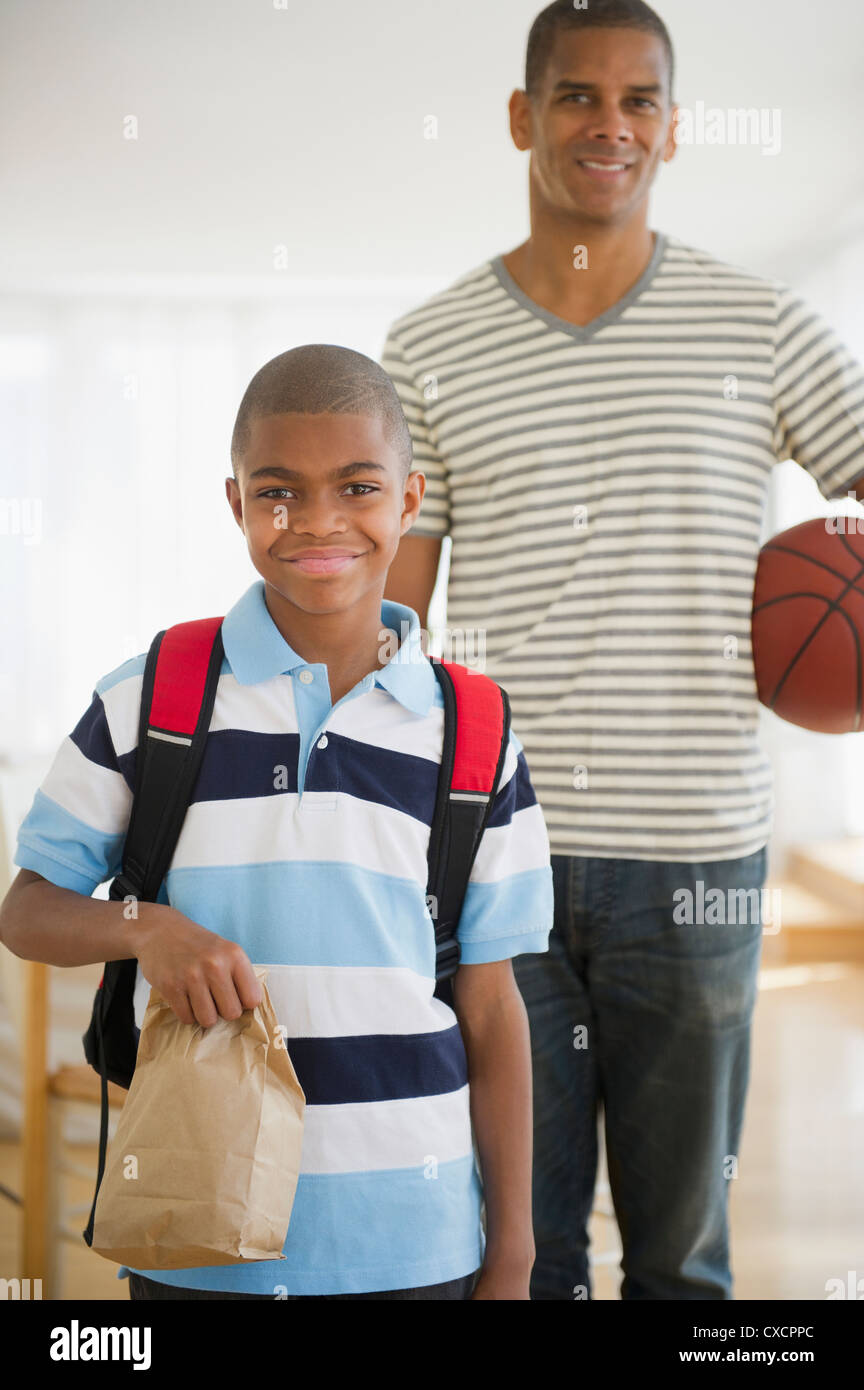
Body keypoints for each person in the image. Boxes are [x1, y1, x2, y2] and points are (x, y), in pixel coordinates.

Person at [381, 0, 864, 1300]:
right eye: (579, 95)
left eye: (638, 98)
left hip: (699, 855)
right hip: (500, 854)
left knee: (682, 1261)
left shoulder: (758, 323)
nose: (610, 124)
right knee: (517, 1254)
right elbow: (390, 624)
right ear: (521, 116)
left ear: (672, 125)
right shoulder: (429, 347)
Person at [0, 344, 554, 1300]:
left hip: (416, 1246)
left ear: (411, 499)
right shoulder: (151, 696)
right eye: (279, 492)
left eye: (359, 486)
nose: (320, 521)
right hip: (198, 1235)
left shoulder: (476, 730)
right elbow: (28, 910)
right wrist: (151, 929)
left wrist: (513, 1250)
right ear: (237, 505)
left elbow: (492, 1009)